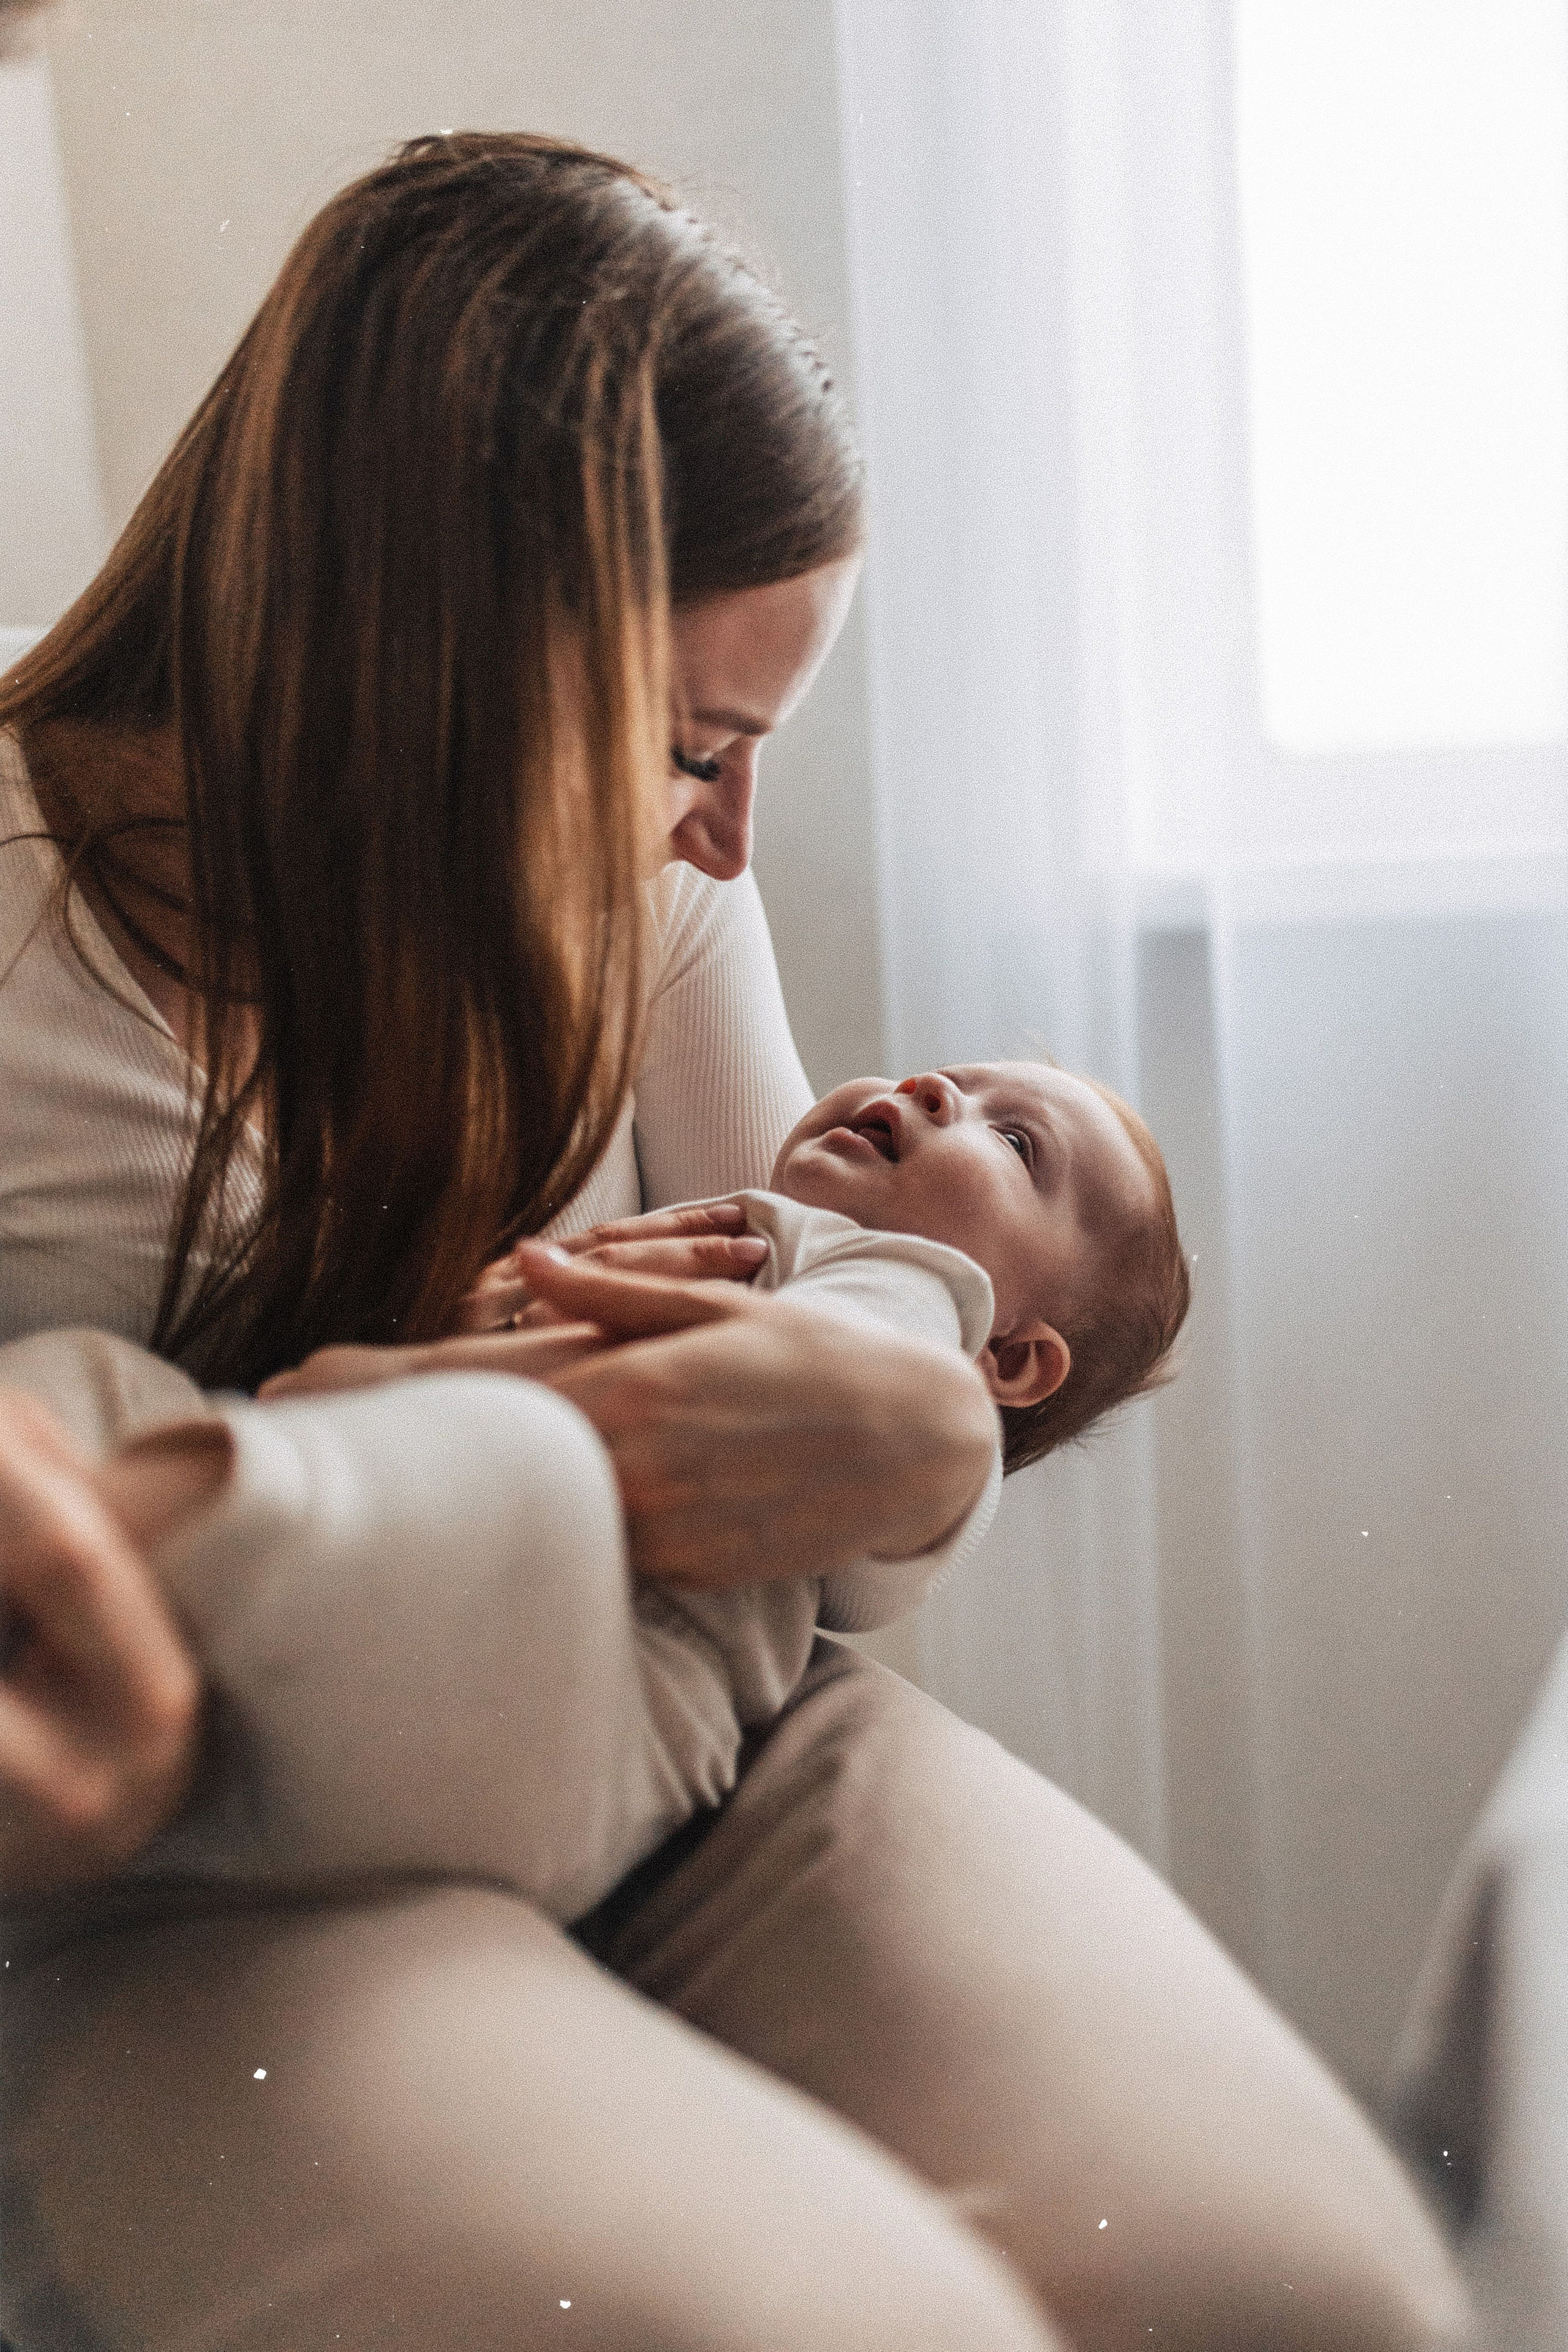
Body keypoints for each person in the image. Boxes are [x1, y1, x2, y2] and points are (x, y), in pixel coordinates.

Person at [0, 132, 1468, 2352]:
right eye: (690, 742)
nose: (726, 836)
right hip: (217, 1853)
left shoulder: (651, 881)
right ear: (433, 650)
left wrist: (903, 1437)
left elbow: (863, 1332)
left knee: (1304, 2298)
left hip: (692, 1728)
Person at [12, 1058, 1186, 1932]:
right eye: (954, 1074)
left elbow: (886, 1466)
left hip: (580, 1705)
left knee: (534, 1464)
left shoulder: (916, 1308)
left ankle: (88, 1546)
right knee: (109, 1379)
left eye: (1015, 1142)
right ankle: (81, 1529)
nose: (937, 1090)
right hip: (386, 1685)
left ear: (1013, 1362)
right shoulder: (743, 1237)